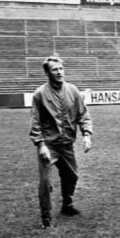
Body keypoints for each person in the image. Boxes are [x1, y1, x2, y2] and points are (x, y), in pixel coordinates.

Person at [29, 54, 93, 228]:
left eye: (61, 69)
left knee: (71, 176)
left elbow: (83, 114)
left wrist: (86, 134)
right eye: (54, 70)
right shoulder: (40, 94)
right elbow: (35, 122)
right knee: (45, 183)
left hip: (67, 145)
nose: (59, 72)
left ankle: (67, 205)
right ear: (48, 73)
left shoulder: (73, 90)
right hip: (49, 146)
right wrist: (41, 145)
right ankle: (46, 218)